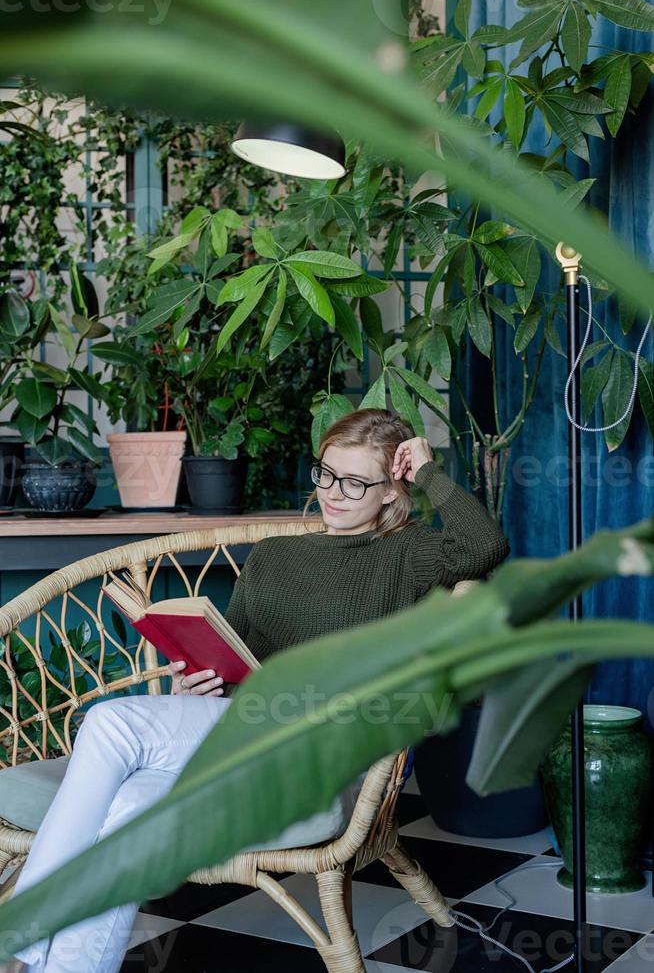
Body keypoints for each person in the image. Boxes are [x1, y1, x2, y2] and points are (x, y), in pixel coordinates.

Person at [10, 408, 508, 972]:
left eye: (355, 483)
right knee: (130, 806)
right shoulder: (273, 557)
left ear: (393, 492)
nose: (334, 494)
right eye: (326, 474)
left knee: (110, 722)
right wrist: (198, 682)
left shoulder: (409, 555)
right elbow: (237, 655)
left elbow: (485, 544)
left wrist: (427, 471)